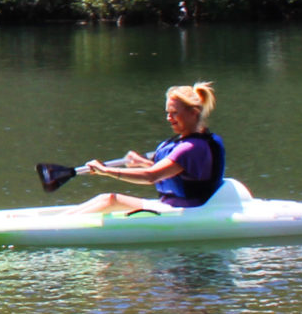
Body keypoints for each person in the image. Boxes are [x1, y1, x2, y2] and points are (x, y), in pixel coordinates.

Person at [68, 82, 227, 215]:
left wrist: (105, 170)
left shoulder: (191, 147)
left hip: (185, 212)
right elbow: (174, 173)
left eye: (174, 113)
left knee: (110, 200)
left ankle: (57, 229)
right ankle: (57, 223)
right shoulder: (193, 142)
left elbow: (151, 176)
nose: (168, 118)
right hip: (172, 208)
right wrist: (142, 162)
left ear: (193, 113)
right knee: (106, 199)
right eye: (167, 113)